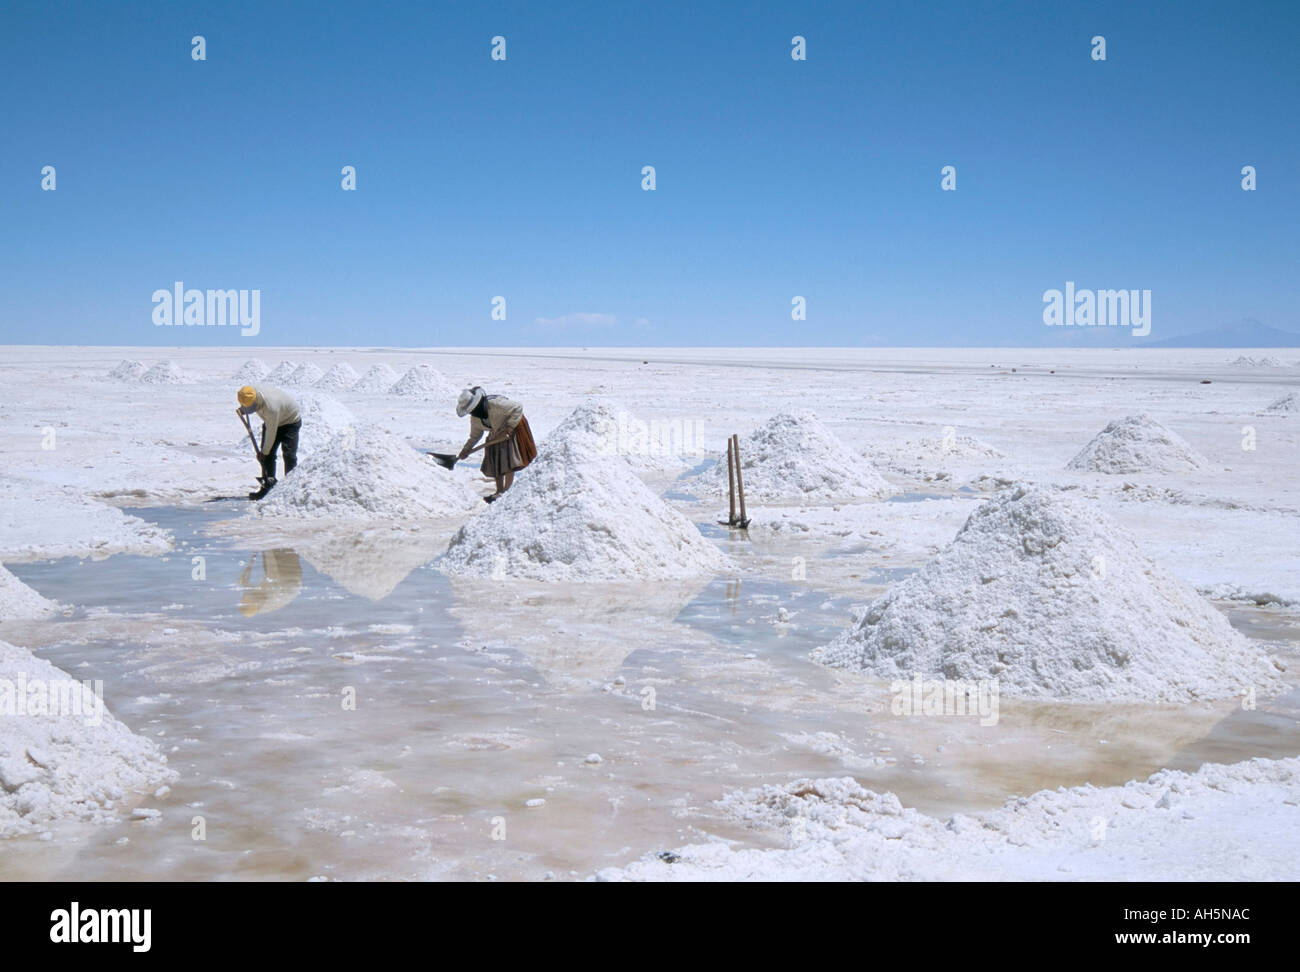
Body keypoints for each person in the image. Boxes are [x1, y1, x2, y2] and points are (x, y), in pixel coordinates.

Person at [455, 385, 537, 501]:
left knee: (509, 460)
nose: (473, 412)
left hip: (513, 425)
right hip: (496, 430)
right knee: (494, 459)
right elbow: (475, 436)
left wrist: (509, 427)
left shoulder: (496, 403)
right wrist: (466, 449)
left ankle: (506, 491)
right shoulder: (475, 418)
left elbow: (518, 408)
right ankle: (499, 490)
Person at [237, 384, 302, 500]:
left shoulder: (270, 407)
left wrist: (264, 452)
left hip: (290, 421)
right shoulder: (249, 393)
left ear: (255, 400)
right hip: (272, 421)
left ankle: (290, 489)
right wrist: (243, 409)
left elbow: (271, 432)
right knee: (267, 456)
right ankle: (267, 486)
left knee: (288, 454)